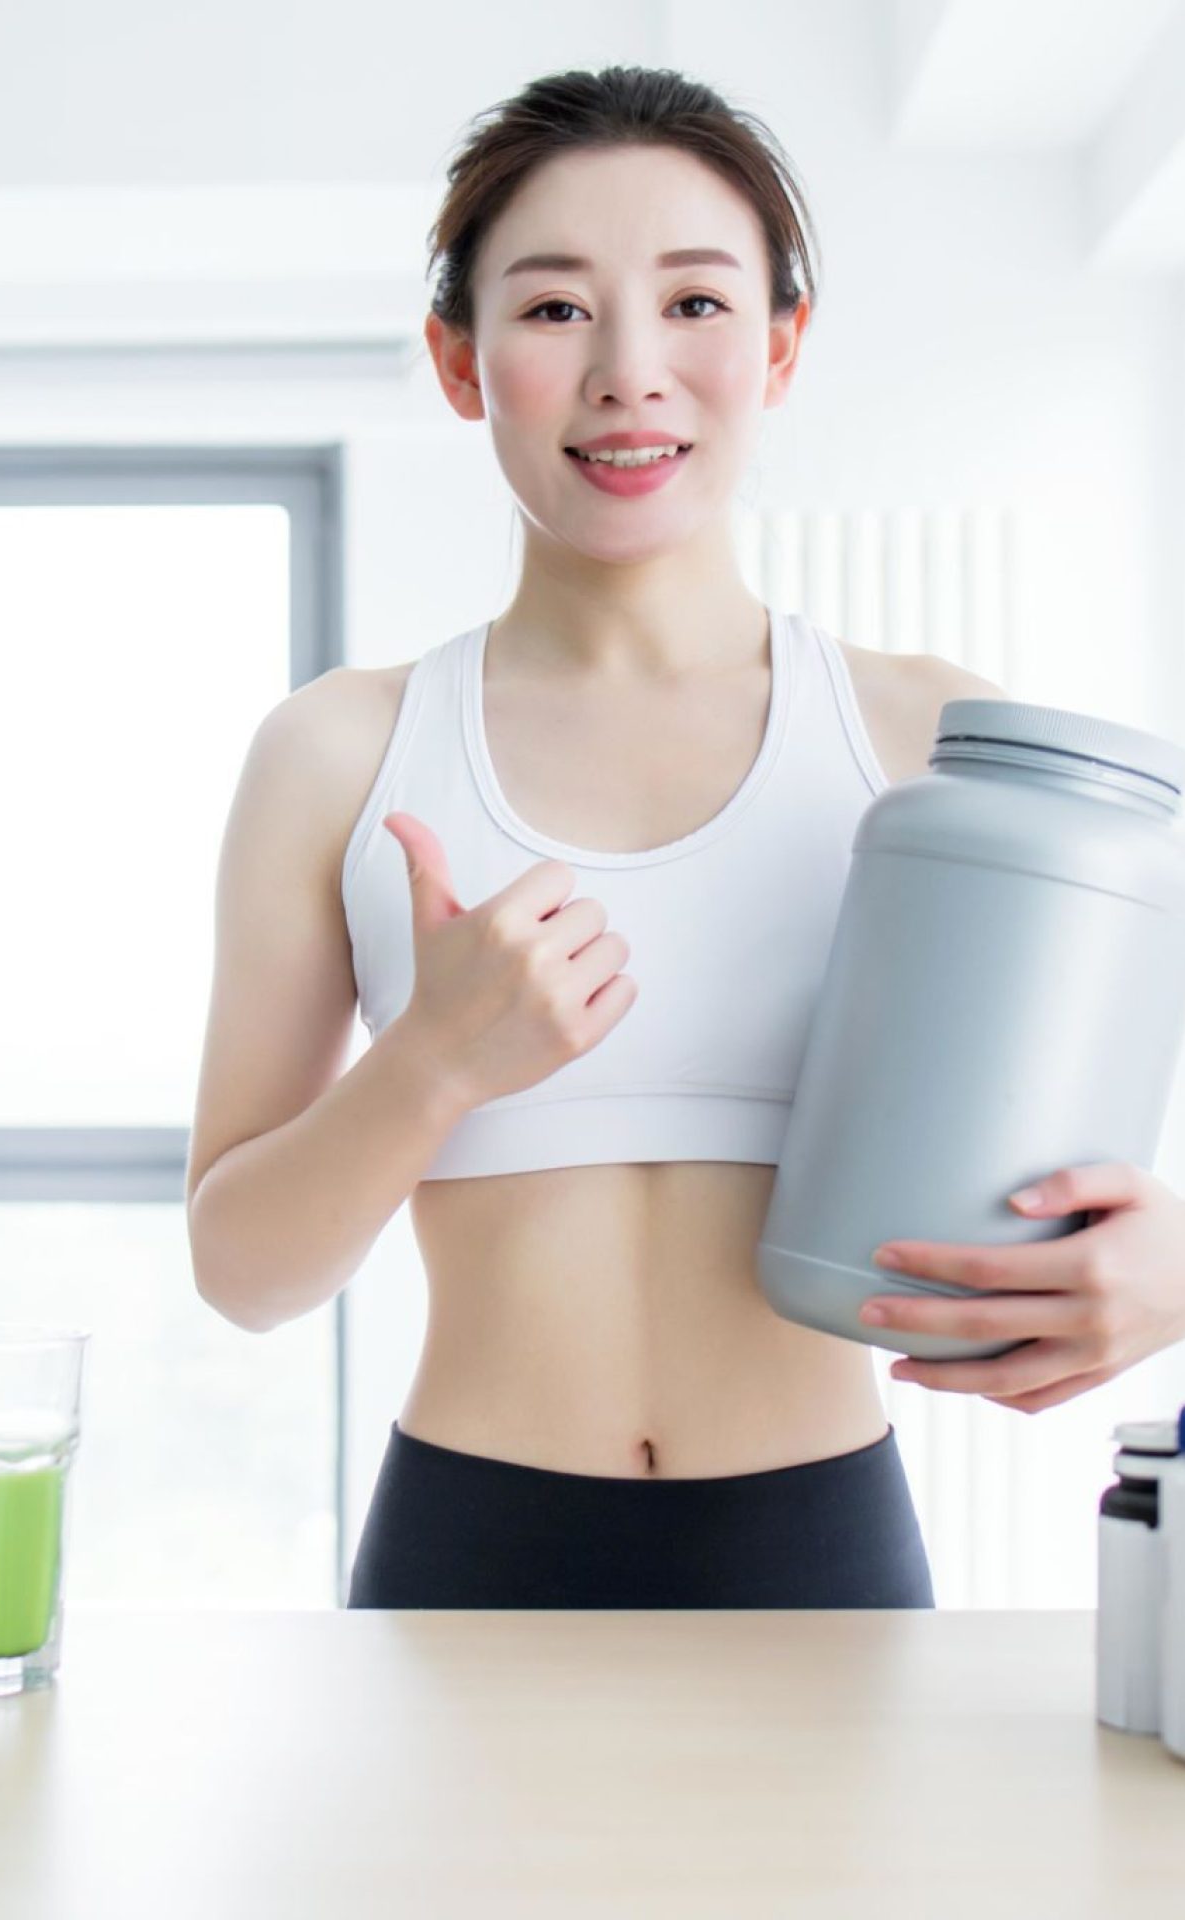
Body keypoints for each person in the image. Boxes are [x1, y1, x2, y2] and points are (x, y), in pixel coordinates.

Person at [185, 64, 1007, 1609]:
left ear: (780, 347)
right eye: (556, 309)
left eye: (696, 304)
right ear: (459, 358)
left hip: (819, 1554)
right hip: (467, 1554)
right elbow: (244, 1274)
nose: (632, 372)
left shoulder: (930, 742)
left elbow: (1079, 1164)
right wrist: (431, 1067)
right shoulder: (338, 754)